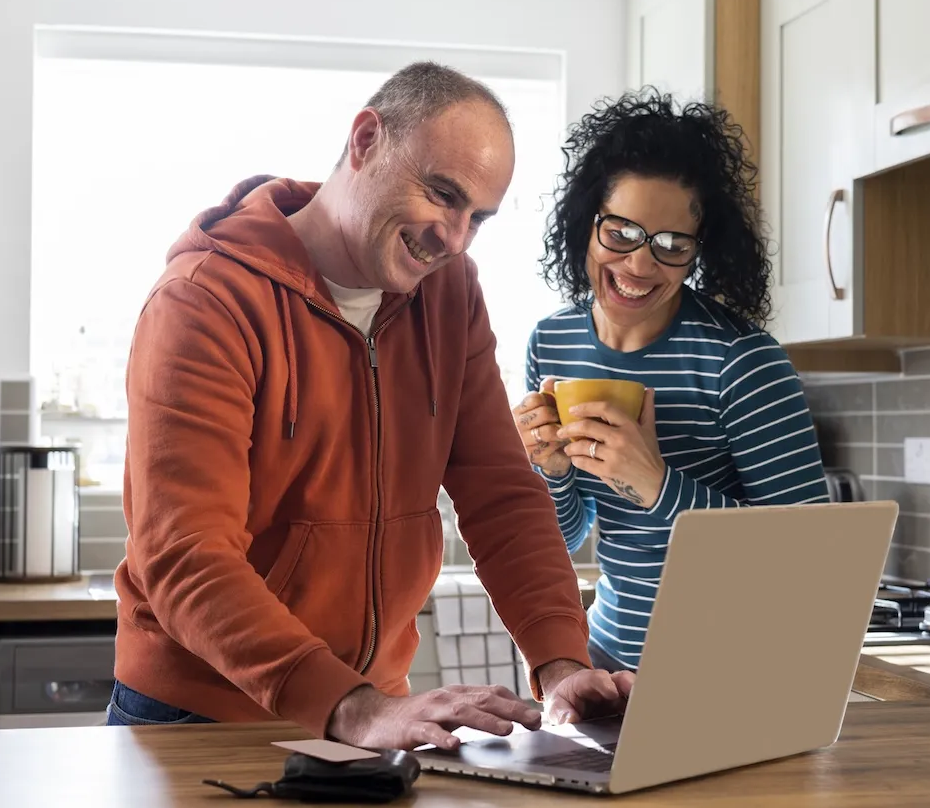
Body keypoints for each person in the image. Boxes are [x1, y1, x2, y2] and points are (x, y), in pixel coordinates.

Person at [108, 62, 633, 749]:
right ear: (364, 141)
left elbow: (500, 496)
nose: (455, 238)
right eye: (442, 195)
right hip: (202, 716)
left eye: (478, 218)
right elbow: (184, 555)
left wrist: (561, 663)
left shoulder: (451, 295)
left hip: (373, 715)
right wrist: (351, 706)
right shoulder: (205, 299)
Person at [511, 89, 832, 673]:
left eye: (670, 245)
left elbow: (810, 562)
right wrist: (551, 472)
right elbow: (569, 533)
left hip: (725, 669)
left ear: (697, 253)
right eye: (621, 232)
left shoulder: (742, 361)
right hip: (603, 654)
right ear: (588, 223)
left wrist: (657, 483)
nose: (638, 264)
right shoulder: (551, 343)